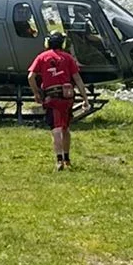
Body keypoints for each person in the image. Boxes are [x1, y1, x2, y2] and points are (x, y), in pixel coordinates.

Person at [28, 28, 84, 170]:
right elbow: (77, 78)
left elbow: (30, 77)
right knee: (65, 128)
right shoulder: (68, 58)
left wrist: (36, 93)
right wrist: (85, 98)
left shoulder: (42, 57)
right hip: (67, 98)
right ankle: (67, 158)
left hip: (51, 98)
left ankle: (59, 160)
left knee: (56, 129)